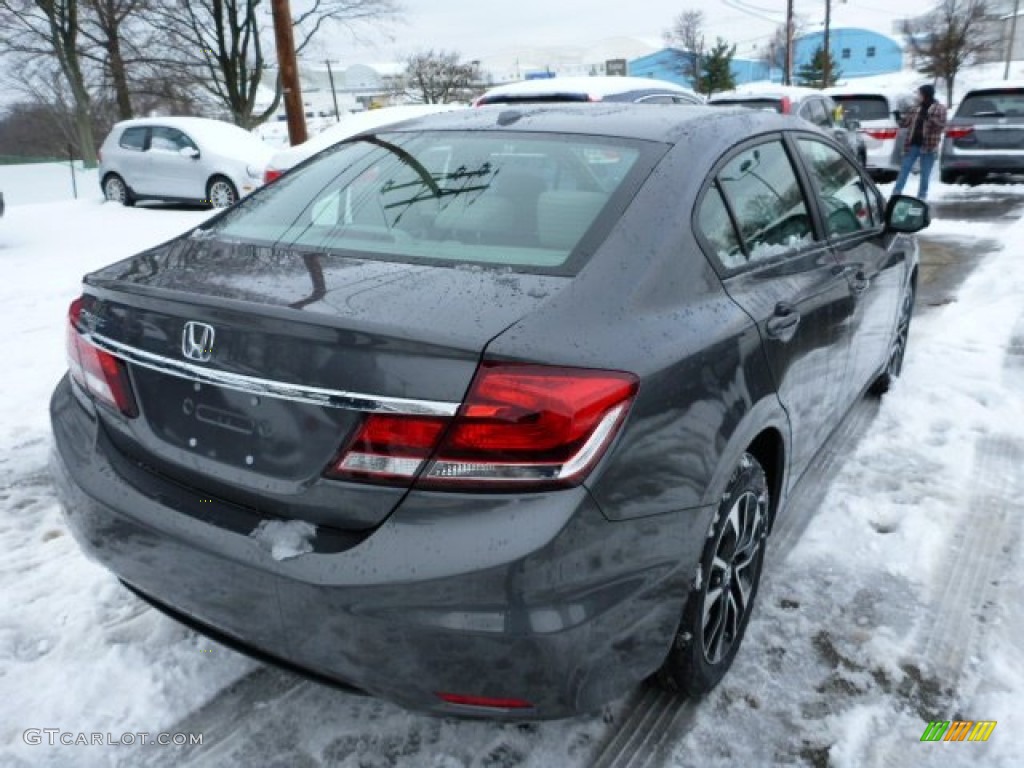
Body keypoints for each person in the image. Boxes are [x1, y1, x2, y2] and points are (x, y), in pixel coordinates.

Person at [892, 84, 948, 201]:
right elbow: (905, 123)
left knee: (925, 174)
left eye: (919, 94)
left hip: (929, 146)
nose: (918, 96)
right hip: (912, 145)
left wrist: (930, 118)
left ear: (925, 95)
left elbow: (941, 126)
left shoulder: (940, 109)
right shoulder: (915, 108)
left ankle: (922, 196)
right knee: (904, 169)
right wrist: (898, 118)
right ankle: (896, 193)